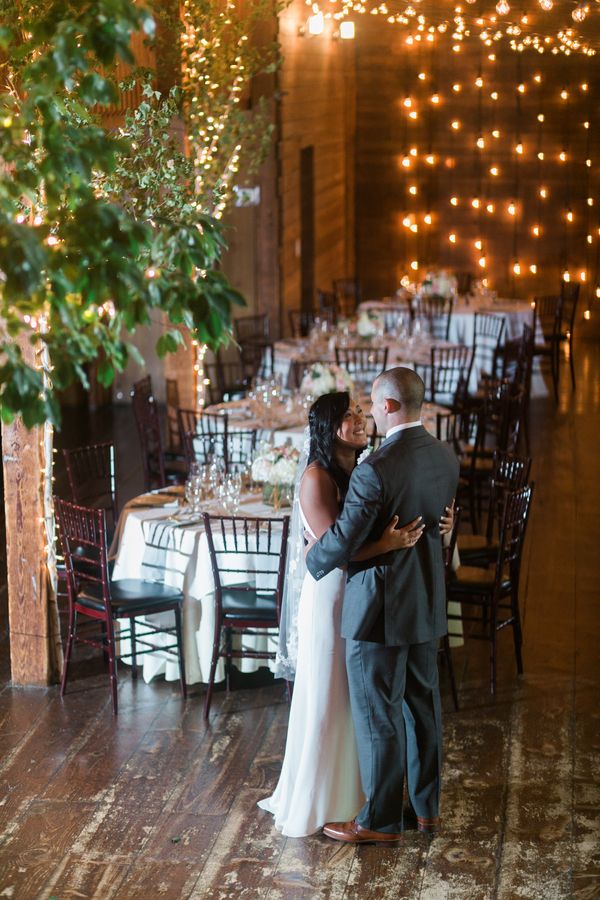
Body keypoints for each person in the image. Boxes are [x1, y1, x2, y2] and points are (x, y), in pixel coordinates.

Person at [258, 389, 453, 837]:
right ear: (327, 428)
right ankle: (330, 793)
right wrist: (384, 544)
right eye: (348, 416)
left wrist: (439, 522)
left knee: (368, 704)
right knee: (339, 698)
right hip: (334, 599)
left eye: (361, 412)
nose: (359, 420)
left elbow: (344, 540)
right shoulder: (318, 478)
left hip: (371, 597)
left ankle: (370, 800)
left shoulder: (369, 470)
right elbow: (331, 552)